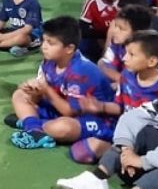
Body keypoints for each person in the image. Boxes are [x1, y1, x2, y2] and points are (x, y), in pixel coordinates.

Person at [55, 60, 158, 189]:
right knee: (145, 132)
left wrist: (142, 161)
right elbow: (133, 116)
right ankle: (97, 178)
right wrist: (127, 150)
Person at [7, 16, 116, 150]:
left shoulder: (81, 70)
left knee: (63, 128)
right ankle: (34, 128)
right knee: (19, 95)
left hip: (94, 119)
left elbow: (69, 112)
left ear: (69, 48)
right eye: (44, 41)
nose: (44, 47)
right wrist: (35, 91)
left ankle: (31, 123)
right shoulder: (50, 60)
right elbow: (50, 96)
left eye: (50, 43)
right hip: (60, 108)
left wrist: (46, 90)